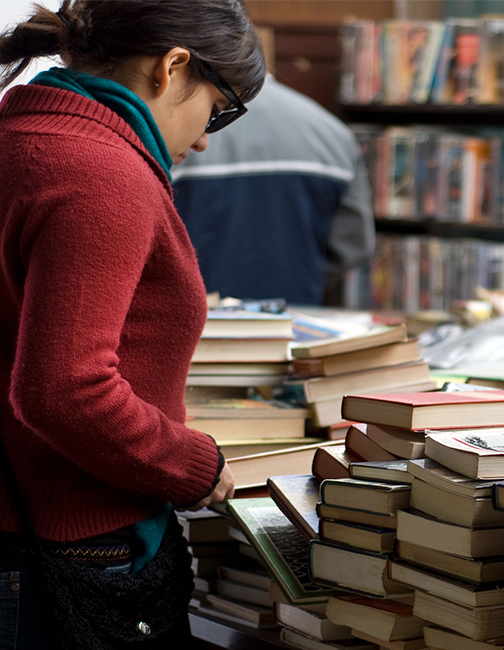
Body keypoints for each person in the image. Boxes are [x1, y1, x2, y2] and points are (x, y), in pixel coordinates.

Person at [0, 0, 264, 646]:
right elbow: (64, 389)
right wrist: (195, 465)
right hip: (65, 555)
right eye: (219, 109)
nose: (204, 137)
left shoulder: (25, 139)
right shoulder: (102, 173)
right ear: (172, 67)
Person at [173, 74, 375, 306]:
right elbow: (352, 246)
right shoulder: (334, 134)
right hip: (294, 319)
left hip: (199, 321)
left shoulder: (182, 135)